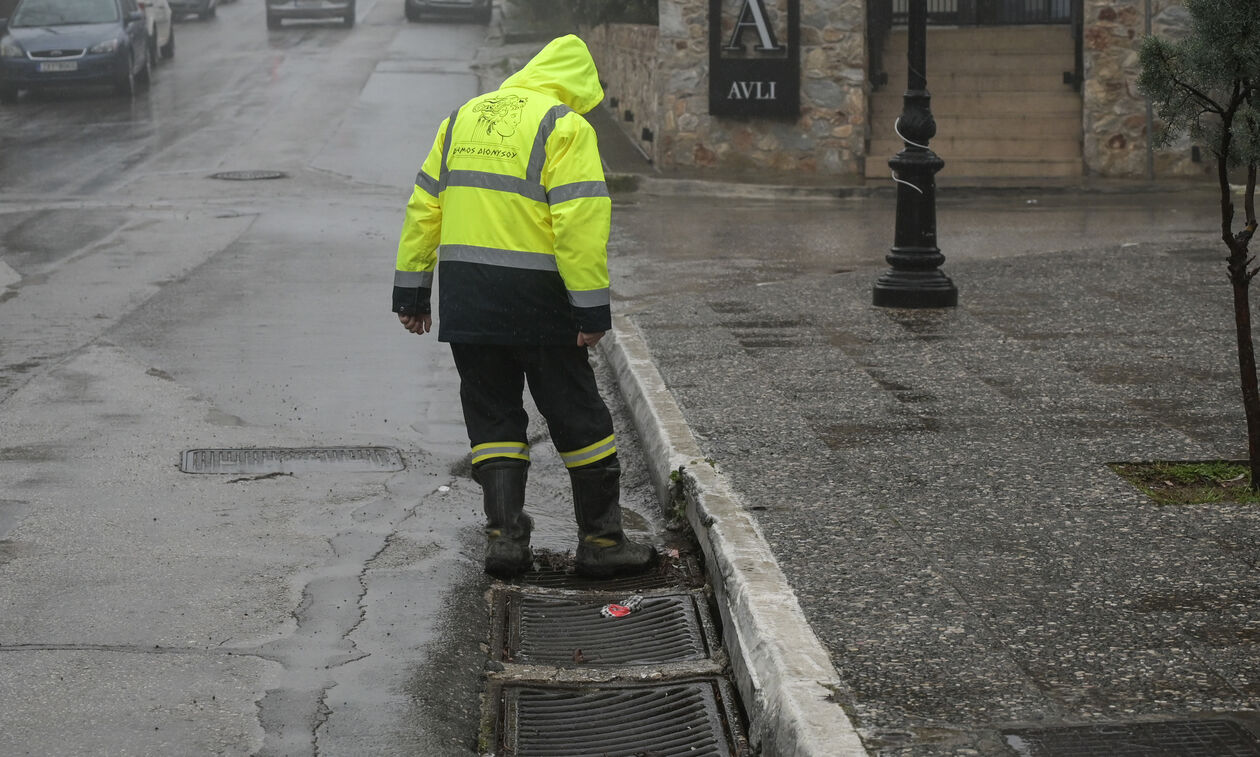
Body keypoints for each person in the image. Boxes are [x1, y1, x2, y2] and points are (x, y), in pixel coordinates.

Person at [391, 34, 658, 580]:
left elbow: (424, 207)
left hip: (468, 302)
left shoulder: (462, 117)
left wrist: (413, 292)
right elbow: (579, 224)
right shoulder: (565, 126)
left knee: (492, 417)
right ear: (578, 83)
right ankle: (602, 542)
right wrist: (590, 309)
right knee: (578, 416)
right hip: (539, 301)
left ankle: (505, 543)